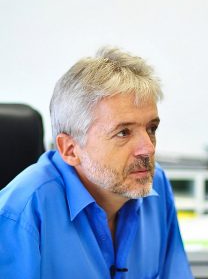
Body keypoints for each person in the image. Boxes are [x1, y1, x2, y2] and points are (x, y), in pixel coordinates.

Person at [0, 47, 193, 278]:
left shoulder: (155, 182)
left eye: (151, 128)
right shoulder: (20, 213)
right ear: (70, 150)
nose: (148, 149)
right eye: (123, 132)